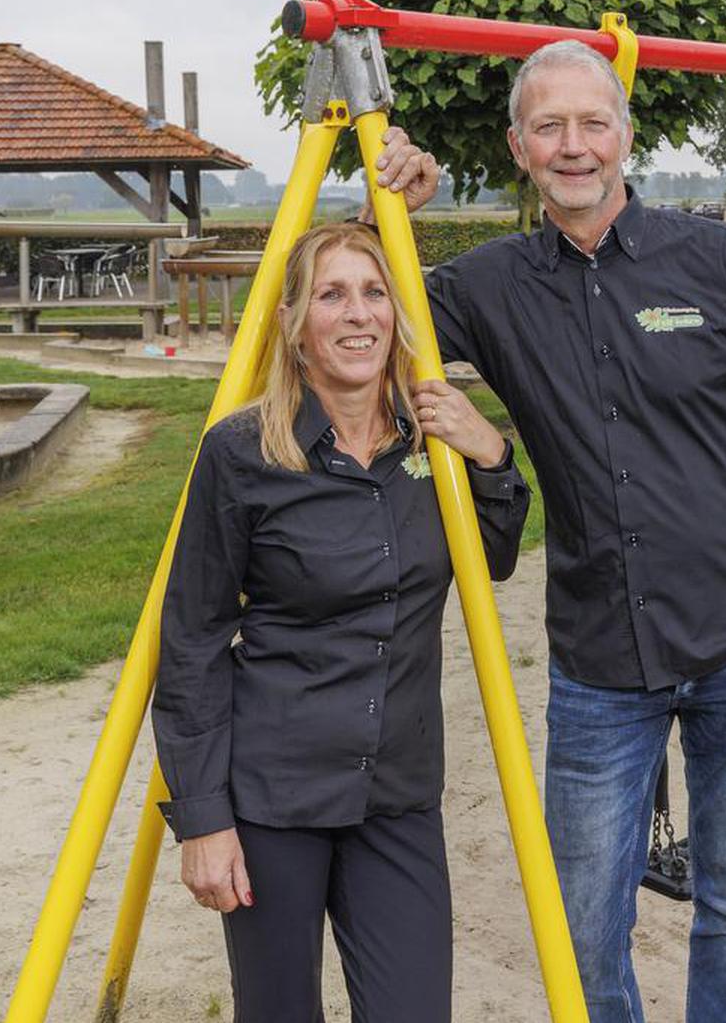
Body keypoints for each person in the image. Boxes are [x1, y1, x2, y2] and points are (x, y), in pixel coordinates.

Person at [372, 39, 726, 1022]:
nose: (573, 146)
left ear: (626, 137)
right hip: (598, 663)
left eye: (593, 123)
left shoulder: (719, 261)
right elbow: (340, 311)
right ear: (519, 147)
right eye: (550, 126)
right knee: (581, 928)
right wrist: (383, 212)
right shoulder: (490, 286)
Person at [151, 221, 530, 1023]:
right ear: (295, 322)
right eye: (332, 294)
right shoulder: (243, 453)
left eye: (373, 291)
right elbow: (190, 639)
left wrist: (491, 453)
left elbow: (493, 556)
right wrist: (203, 818)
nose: (357, 314)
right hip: (276, 795)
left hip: (395, 791)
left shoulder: (433, 439)